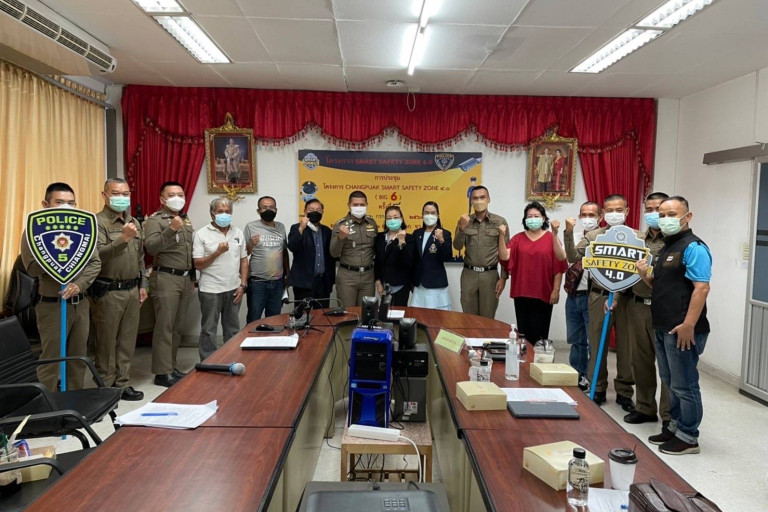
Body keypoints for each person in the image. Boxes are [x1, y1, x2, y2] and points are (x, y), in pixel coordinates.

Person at [636, 196, 711, 455]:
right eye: (662, 215)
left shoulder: (694, 247)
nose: (665, 219)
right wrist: (643, 274)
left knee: (685, 384)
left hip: (682, 329)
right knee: (669, 382)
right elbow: (659, 286)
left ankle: (689, 437)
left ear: (687, 217)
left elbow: (701, 289)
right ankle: (675, 427)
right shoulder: (668, 247)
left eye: (671, 214)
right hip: (663, 325)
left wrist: (689, 324)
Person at [20, 182, 101, 391]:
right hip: (52, 305)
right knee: (52, 359)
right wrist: (54, 256)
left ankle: (73, 399)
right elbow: (31, 269)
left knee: (78, 358)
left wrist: (79, 285)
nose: (66, 206)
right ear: (45, 205)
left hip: (80, 303)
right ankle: (46, 403)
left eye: (71, 203)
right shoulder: (33, 232)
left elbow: (94, 262)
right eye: (60, 202)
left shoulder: (83, 231)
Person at [576, 194, 636, 410]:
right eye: (609, 210)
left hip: (626, 298)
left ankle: (625, 392)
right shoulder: (594, 235)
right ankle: (598, 387)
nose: (614, 214)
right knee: (597, 343)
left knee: (626, 347)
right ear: (603, 213)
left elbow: (637, 271)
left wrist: (617, 296)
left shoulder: (637, 237)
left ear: (627, 211)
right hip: (599, 295)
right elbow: (575, 254)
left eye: (618, 210)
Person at [90, 178, 146, 401]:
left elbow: (140, 257)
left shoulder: (134, 221)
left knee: (127, 341)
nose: (121, 198)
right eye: (116, 193)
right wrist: (122, 239)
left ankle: (122, 384)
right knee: (106, 342)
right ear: (104, 195)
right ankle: (105, 387)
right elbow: (96, 256)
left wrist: (143, 285)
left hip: (132, 289)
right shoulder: (97, 222)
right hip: (108, 290)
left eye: (125, 194)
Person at [624, 192, 672, 426]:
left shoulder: (675, 241)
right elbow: (624, 272)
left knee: (667, 365)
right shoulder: (637, 240)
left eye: (658, 210)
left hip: (664, 309)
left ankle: (669, 416)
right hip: (637, 305)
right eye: (649, 209)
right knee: (640, 360)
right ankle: (644, 407)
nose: (653, 214)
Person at [144, 181, 195, 388]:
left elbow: (188, 250)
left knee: (176, 327)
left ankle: (171, 367)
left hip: (184, 278)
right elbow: (151, 248)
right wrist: (170, 230)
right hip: (166, 277)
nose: (177, 198)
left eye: (180, 194)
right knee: (165, 326)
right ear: (162, 199)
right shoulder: (155, 220)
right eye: (172, 195)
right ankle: (162, 373)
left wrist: (192, 278)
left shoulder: (185, 218)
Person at [498, 202, 567, 345]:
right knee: (524, 334)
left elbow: (559, 266)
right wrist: (501, 236)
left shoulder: (551, 238)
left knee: (540, 335)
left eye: (536, 216)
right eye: (529, 216)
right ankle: (526, 358)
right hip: (522, 292)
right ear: (525, 219)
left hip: (544, 293)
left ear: (543, 219)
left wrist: (556, 290)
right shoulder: (518, 238)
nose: (533, 219)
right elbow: (504, 257)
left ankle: (538, 358)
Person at [193, 197, 248, 361]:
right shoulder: (201, 234)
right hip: (210, 290)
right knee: (209, 330)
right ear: (212, 214)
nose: (224, 214)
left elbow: (243, 260)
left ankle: (232, 359)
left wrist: (243, 285)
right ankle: (208, 361)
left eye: (228, 212)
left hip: (234, 289)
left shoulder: (238, 233)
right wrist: (217, 252)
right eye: (220, 211)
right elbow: (198, 264)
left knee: (232, 329)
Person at [453, 186, 510, 319]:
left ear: (488, 199)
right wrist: (462, 229)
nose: (479, 201)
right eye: (475, 198)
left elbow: (506, 252)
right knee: (469, 318)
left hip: (490, 276)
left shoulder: (500, 222)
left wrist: (503, 278)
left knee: (487, 318)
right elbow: (457, 246)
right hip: (469, 274)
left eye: (482, 197)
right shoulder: (464, 221)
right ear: (471, 201)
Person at [563, 201, 602, 388]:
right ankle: (577, 375)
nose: (587, 218)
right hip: (573, 294)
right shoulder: (575, 237)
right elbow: (570, 257)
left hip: (593, 295)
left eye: (591, 215)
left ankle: (593, 379)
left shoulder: (604, 238)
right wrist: (567, 232)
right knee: (576, 340)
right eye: (584, 215)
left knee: (593, 341)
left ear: (600, 217)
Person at [244, 196, 289, 323]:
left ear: (276, 210)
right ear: (258, 210)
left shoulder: (281, 227)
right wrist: (251, 244)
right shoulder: (250, 227)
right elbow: (244, 253)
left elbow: (284, 251)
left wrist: (287, 274)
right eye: (264, 207)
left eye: (272, 207)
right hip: (257, 282)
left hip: (278, 282)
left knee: (274, 320)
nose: (268, 210)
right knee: (254, 319)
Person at [330, 191, 378, 308]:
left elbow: (376, 248)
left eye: (362, 205)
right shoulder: (340, 225)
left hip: (368, 276)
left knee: (367, 312)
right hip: (347, 277)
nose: (359, 207)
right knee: (347, 313)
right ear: (349, 205)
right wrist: (340, 238)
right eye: (355, 205)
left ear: (367, 205)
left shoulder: (372, 223)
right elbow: (334, 253)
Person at [287, 199, 336, 308]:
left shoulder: (327, 231)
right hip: (303, 282)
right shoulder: (296, 228)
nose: (315, 212)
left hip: (323, 282)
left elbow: (332, 255)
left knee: (322, 315)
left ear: (322, 212)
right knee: (302, 315)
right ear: (305, 212)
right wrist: (301, 228)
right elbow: (292, 247)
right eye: (311, 209)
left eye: (318, 210)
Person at [411, 201, 453, 310]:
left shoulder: (445, 233)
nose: (429, 215)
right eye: (426, 213)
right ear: (422, 215)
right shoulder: (417, 233)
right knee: (419, 316)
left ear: (438, 215)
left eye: (433, 213)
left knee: (438, 317)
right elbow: (413, 259)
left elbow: (447, 257)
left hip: (436, 284)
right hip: (419, 284)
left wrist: (442, 240)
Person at [374, 205, 415, 306]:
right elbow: (377, 261)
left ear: (401, 219)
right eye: (389, 218)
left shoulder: (409, 238)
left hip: (401, 286)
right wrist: (378, 283)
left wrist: (401, 242)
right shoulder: (380, 237)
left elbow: (407, 262)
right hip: (384, 286)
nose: (392, 220)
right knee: (384, 313)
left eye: (396, 217)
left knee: (399, 313)